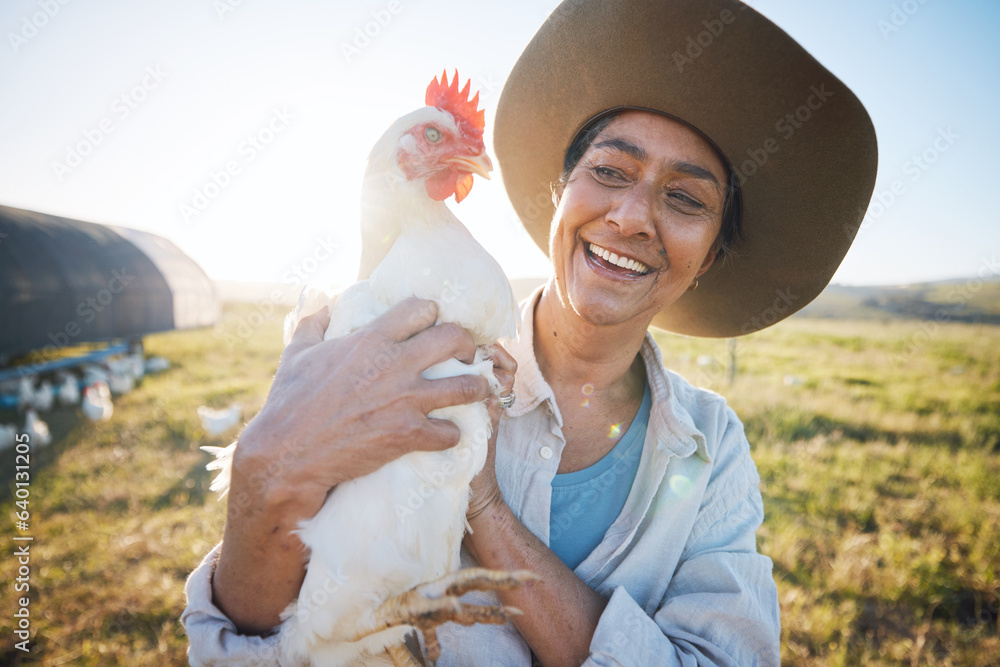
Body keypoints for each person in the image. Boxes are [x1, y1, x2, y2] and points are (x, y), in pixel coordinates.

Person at [182, 0, 877, 665]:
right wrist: (264, 475)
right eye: (608, 171)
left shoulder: (710, 448)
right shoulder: (388, 358)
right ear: (559, 193)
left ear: (710, 258)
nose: (632, 217)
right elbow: (245, 644)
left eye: (686, 198)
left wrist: (484, 504)